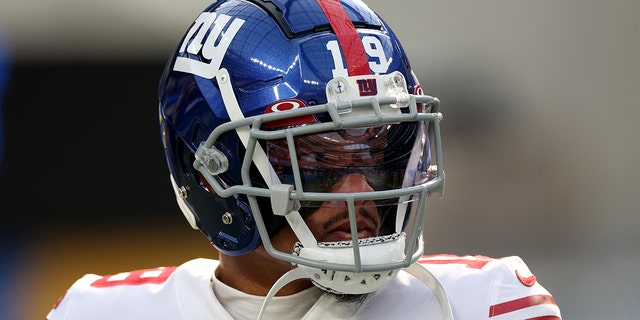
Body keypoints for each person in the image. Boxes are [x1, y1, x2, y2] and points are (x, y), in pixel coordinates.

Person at [47, 0, 562, 319]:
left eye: (376, 151)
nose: (361, 192)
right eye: (316, 159)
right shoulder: (98, 312)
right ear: (212, 175)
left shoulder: (490, 304)